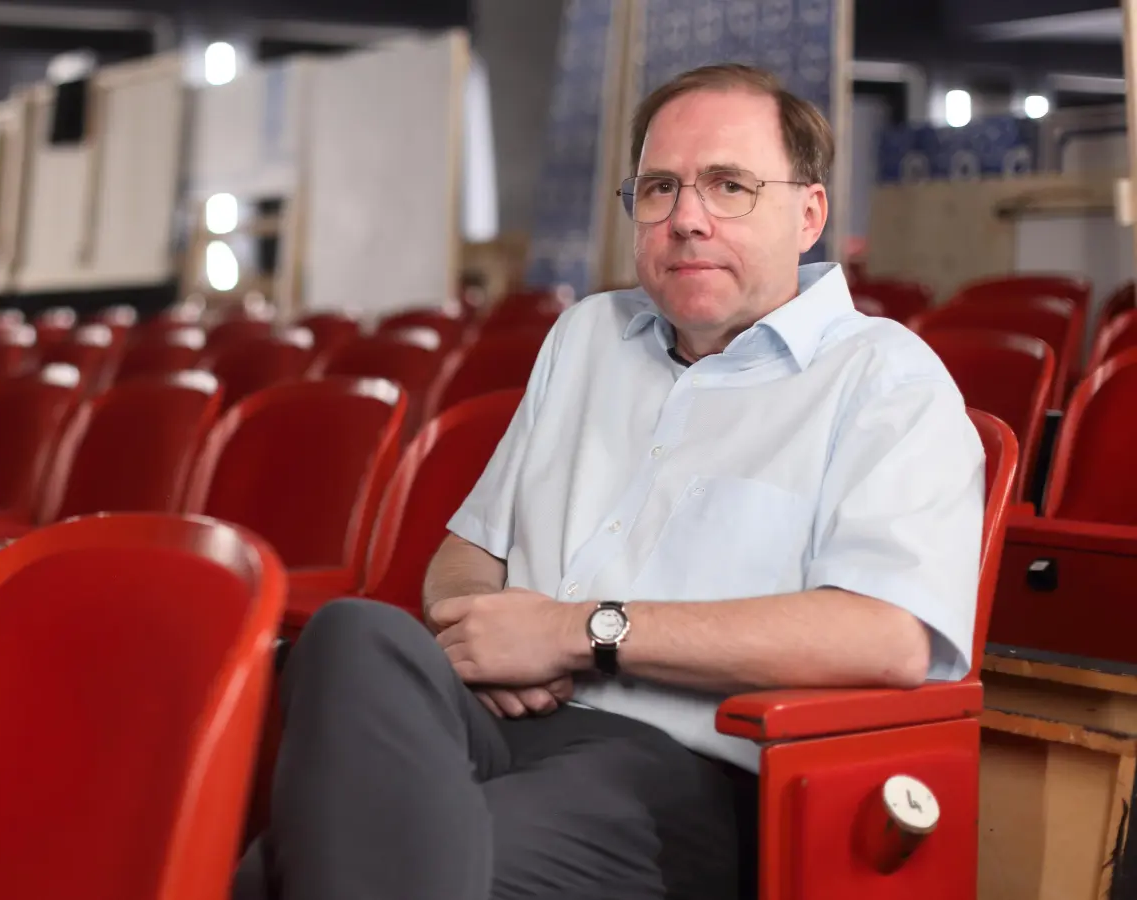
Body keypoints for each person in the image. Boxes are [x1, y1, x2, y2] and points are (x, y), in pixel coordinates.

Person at [235, 63, 984, 900]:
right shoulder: (590, 334)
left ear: (808, 213)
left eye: (729, 186)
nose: (687, 219)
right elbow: (466, 555)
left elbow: (888, 639)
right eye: (659, 188)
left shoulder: (886, 379)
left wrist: (572, 632)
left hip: (683, 774)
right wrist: (485, 634)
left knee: (277, 875)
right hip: (500, 715)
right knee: (350, 635)